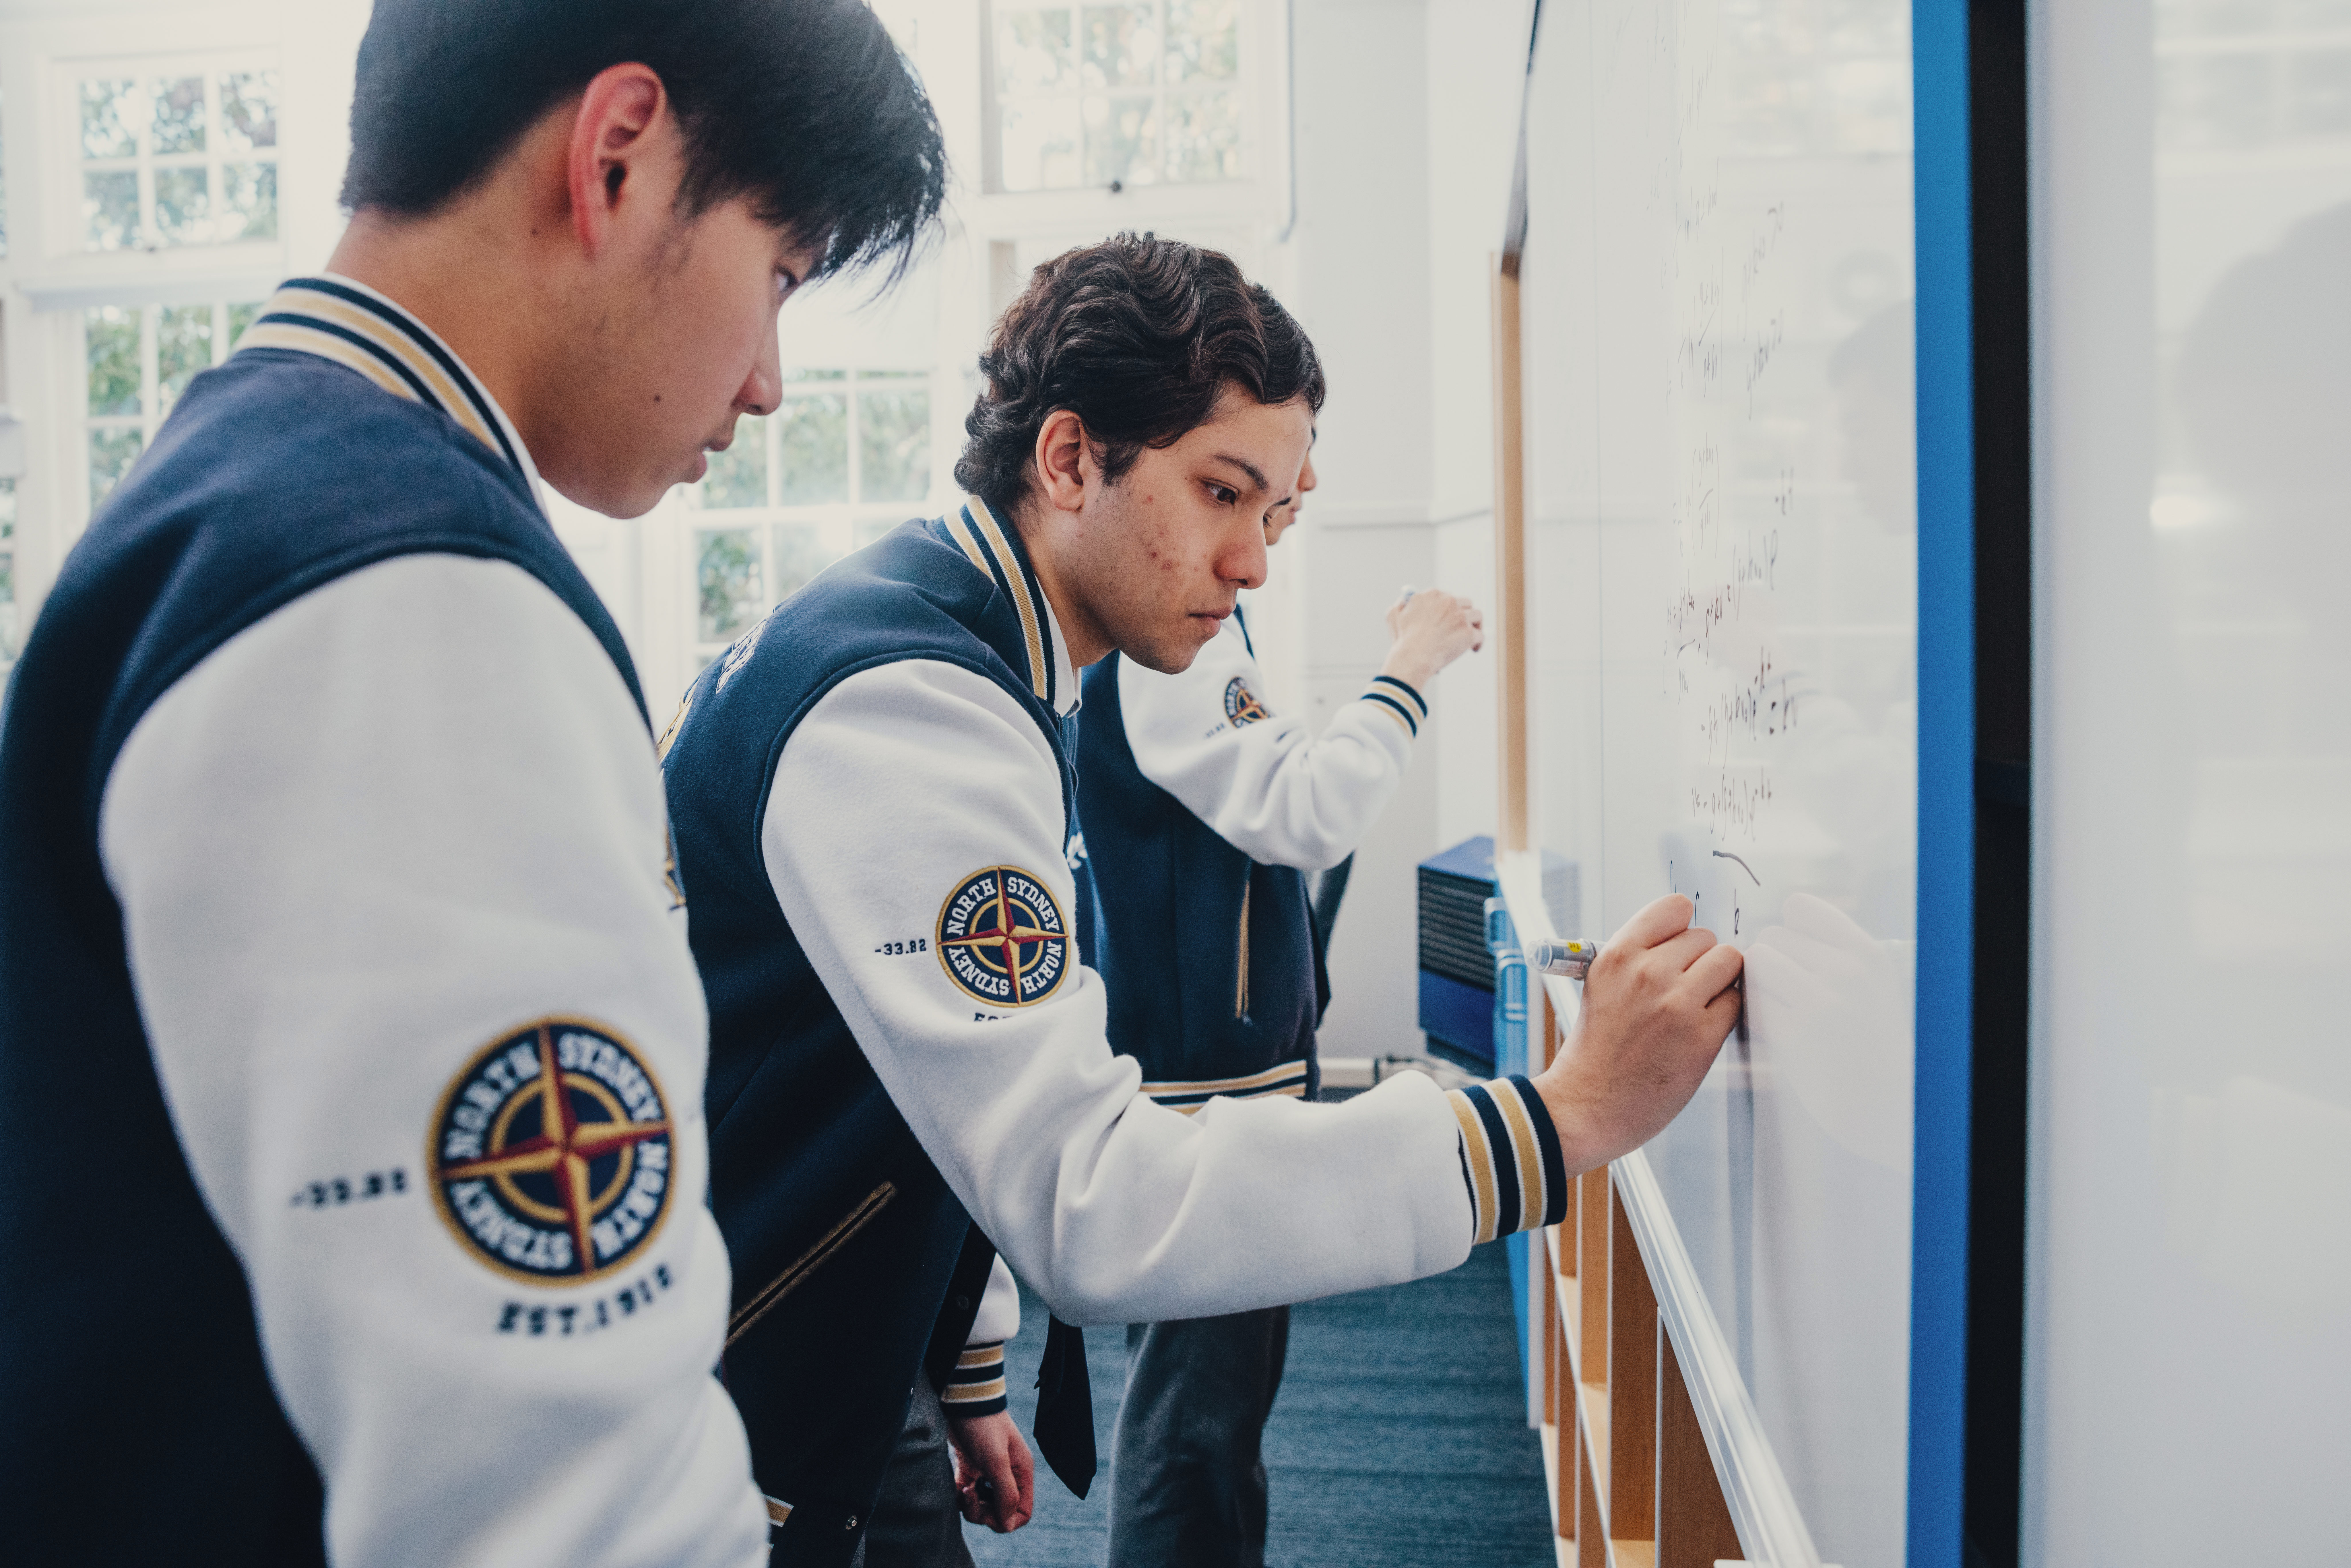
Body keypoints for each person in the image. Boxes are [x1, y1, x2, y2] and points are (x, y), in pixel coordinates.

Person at [0, 3, 945, 1563]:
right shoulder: (403, 593)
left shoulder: (254, 490)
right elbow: (559, 1499)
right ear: (618, 155)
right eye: (781, 272)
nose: (770, 381)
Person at [659, 233, 1745, 1565]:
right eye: (1221, 493)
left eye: (1272, 511)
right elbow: (1091, 1195)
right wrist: (1555, 1120)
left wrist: (963, 1360)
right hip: (739, 1397)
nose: (1252, 563)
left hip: (827, 1339)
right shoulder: (914, 703)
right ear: (1069, 460)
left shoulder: (961, 639)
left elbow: (918, 1072)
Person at [1074, 441, 1486, 1566]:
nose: (1283, 511)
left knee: (1212, 1411)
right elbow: (1309, 810)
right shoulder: (1172, 647)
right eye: (1242, 487)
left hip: (1210, 1060)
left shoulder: (1184, 629)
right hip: (1207, 1078)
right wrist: (1408, 669)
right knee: (1196, 1423)